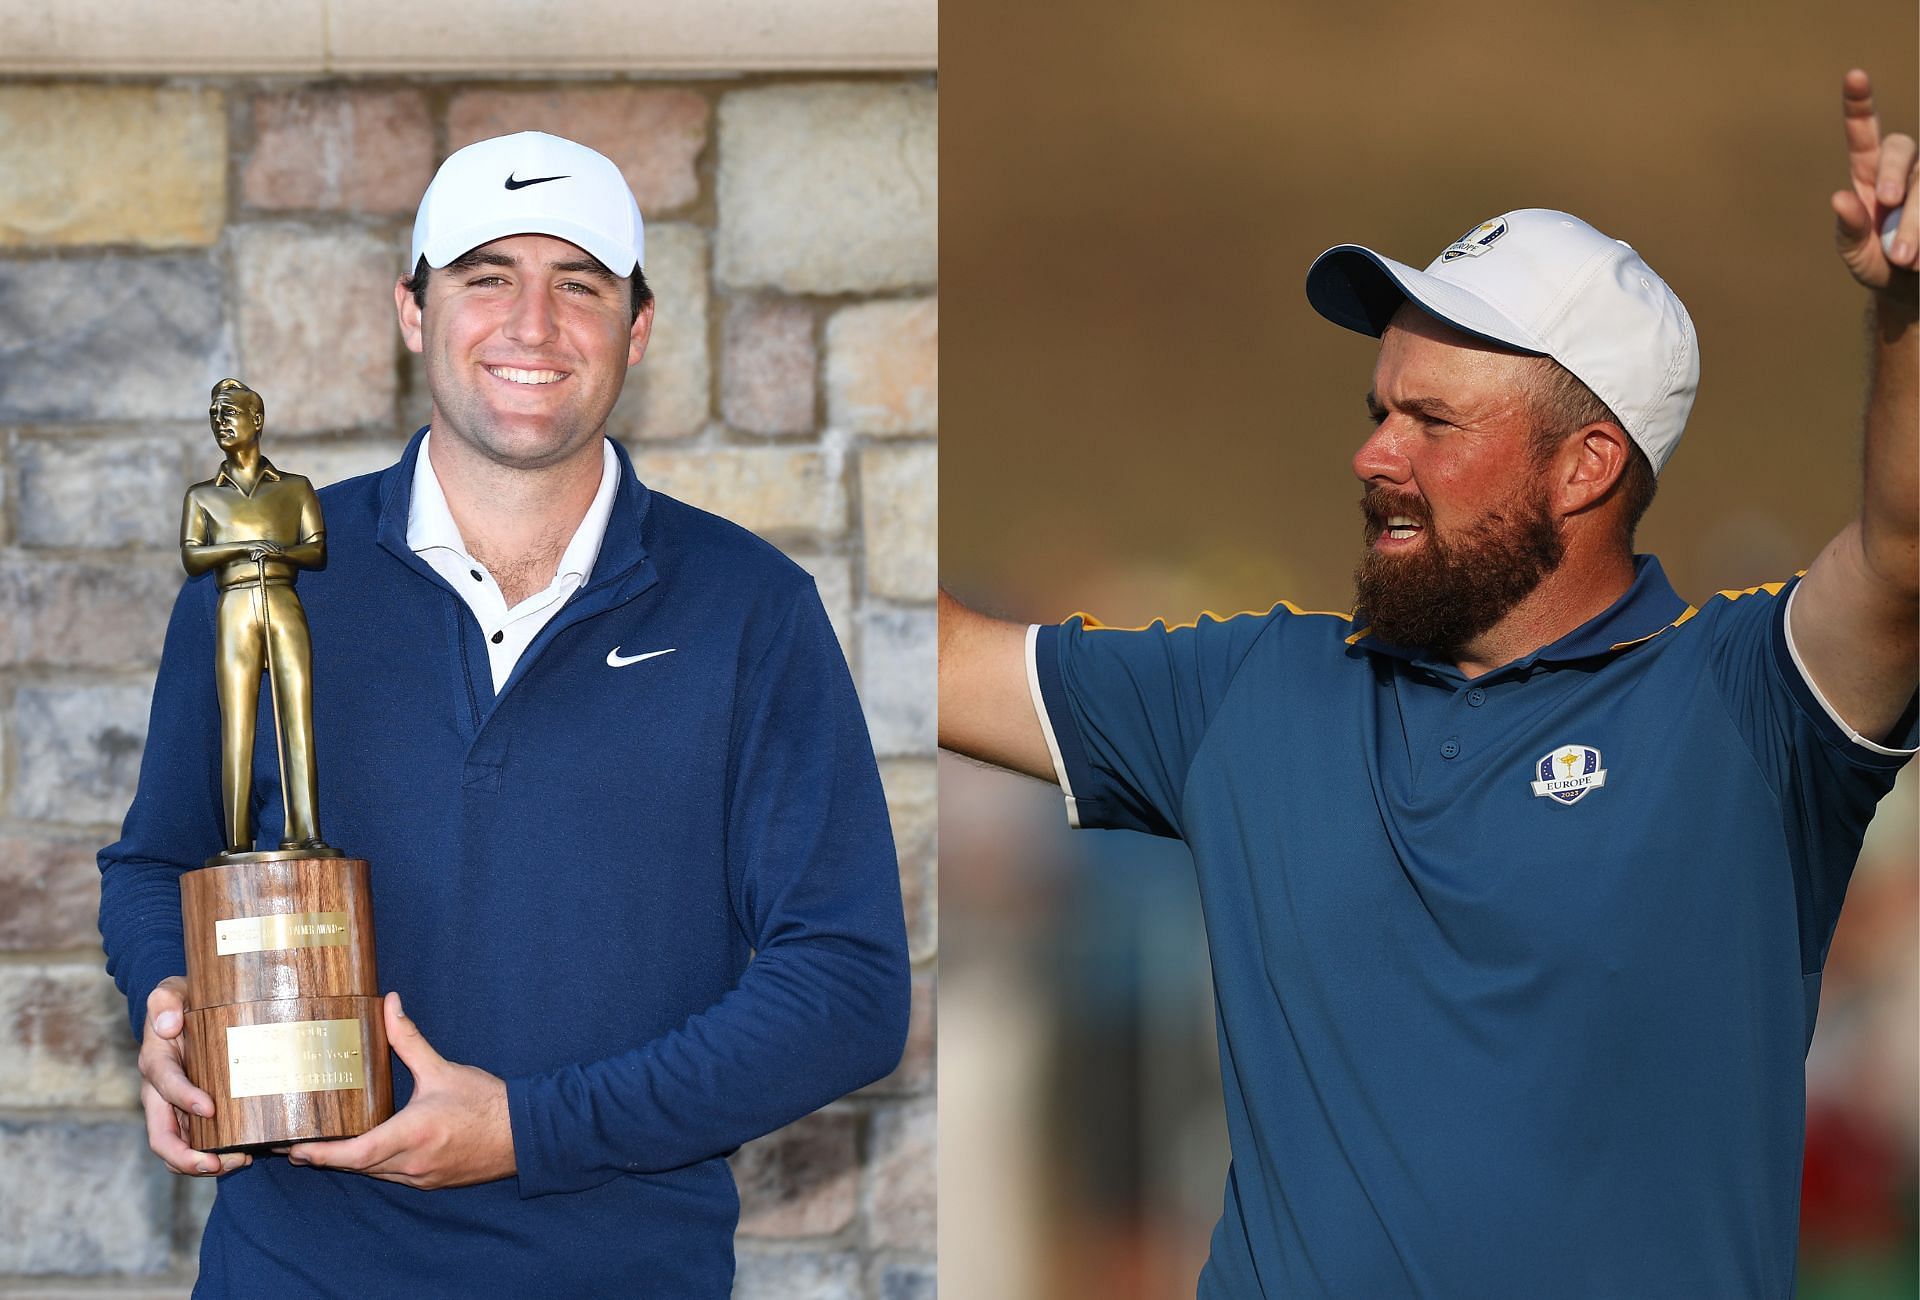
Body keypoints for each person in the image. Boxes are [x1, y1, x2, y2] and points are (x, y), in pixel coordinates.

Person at [940, 70, 1916, 1296]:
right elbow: (930, 662)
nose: (1372, 453)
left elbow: (1904, 557)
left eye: (1431, 423)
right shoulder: (1255, 688)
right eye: (1377, 410)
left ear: (1586, 464)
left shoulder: (1744, 706)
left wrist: (1910, 319)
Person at [101, 131, 909, 1296]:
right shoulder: (270, 574)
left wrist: (533, 1128)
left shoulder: (750, 609)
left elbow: (847, 987)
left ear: (636, 330)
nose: (532, 324)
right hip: (292, 1268)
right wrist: (174, 1004)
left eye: (578, 284)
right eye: (486, 277)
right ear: (413, 310)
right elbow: (157, 862)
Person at [180, 378, 333, 857]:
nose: (221, 421)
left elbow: (317, 550)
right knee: (238, 721)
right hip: (236, 602)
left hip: (284, 600)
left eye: (230, 412)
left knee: (297, 715)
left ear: (257, 420)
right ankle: (237, 840)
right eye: (214, 415)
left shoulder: (294, 489)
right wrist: (246, 547)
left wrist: (280, 552)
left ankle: (304, 832)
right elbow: (192, 557)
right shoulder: (203, 496)